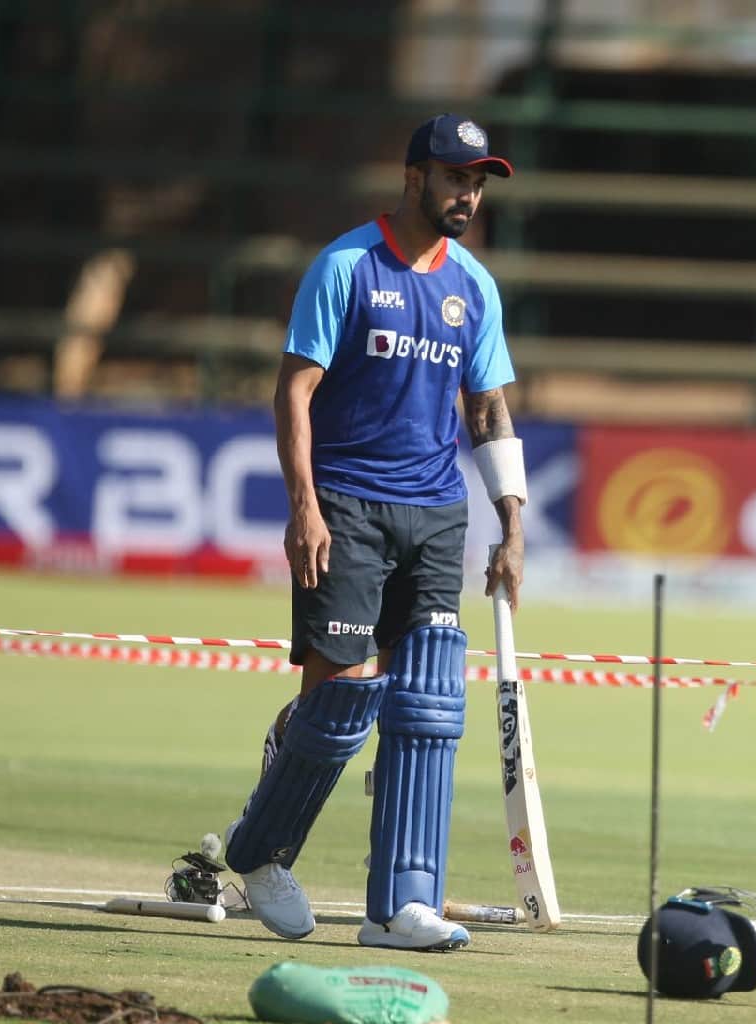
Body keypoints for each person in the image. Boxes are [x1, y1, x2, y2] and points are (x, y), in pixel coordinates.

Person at [221, 113, 529, 952]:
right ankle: (260, 853)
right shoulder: (347, 265)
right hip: (349, 505)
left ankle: (401, 906)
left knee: (429, 699)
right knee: (345, 694)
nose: (467, 193)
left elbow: (488, 406)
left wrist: (512, 521)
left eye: (478, 180)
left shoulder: (474, 284)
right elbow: (294, 392)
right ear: (413, 176)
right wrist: (304, 505)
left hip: (436, 513)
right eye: (454, 176)